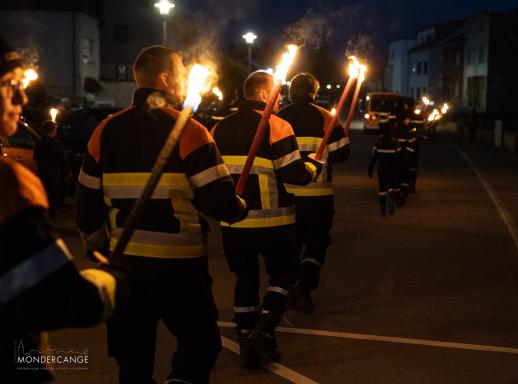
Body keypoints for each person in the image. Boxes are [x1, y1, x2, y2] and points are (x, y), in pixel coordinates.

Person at [75, 45, 248, 384]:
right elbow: (221, 204)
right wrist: (238, 206)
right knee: (200, 343)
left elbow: (86, 206)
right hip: (179, 265)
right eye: (181, 72)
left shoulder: (104, 131)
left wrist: (98, 248)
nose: (185, 79)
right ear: (165, 79)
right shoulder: (190, 131)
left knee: (133, 359)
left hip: (124, 264)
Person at [0, 37, 121, 383]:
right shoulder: (7, 184)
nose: (22, 99)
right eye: (10, 85)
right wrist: (110, 280)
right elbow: (54, 299)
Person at [211, 70, 323, 367]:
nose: (281, 99)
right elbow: (295, 175)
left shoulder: (218, 129)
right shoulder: (276, 124)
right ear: (263, 95)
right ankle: (264, 330)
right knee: (285, 275)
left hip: (234, 221)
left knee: (245, 279)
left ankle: (246, 336)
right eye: (277, 93)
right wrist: (314, 166)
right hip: (274, 222)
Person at [277, 72, 350, 313]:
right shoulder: (326, 117)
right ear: (314, 92)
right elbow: (342, 154)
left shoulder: (279, 117)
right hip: (319, 197)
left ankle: (286, 291)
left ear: (291, 91)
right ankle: (304, 287)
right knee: (316, 244)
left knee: (291, 246)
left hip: (286, 196)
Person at [33, 120, 71, 218]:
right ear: (53, 130)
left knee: (44, 190)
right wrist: (68, 171)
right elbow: (63, 158)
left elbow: (35, 157)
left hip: (42, 170)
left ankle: (43, 210)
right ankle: (52, 213)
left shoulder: (40, 143)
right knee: (53, 191)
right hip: (54, 172)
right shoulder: (56, 143)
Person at [368, 123, 400, 215]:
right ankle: (391, 196)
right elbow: (400, 157)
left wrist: (370, 170)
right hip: (392, 170)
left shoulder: (378, 144)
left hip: (381, 170)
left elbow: (373, 158)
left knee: (382, 188)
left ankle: (382, 208)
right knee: (391, 186)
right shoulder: (395, 144)